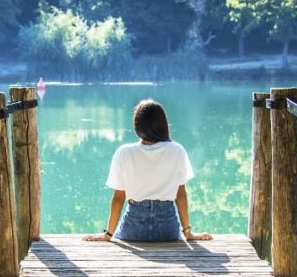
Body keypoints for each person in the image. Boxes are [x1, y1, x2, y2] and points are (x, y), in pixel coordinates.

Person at [84, 98, 213, 243]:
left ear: (137, 126)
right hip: (167, 230)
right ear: (163, 124)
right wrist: (188, 233)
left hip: (133, 228)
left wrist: (108, 235)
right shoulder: (177, 150)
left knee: (123, 229)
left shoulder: (124, 152)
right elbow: (180, 195)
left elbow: (119, 197)